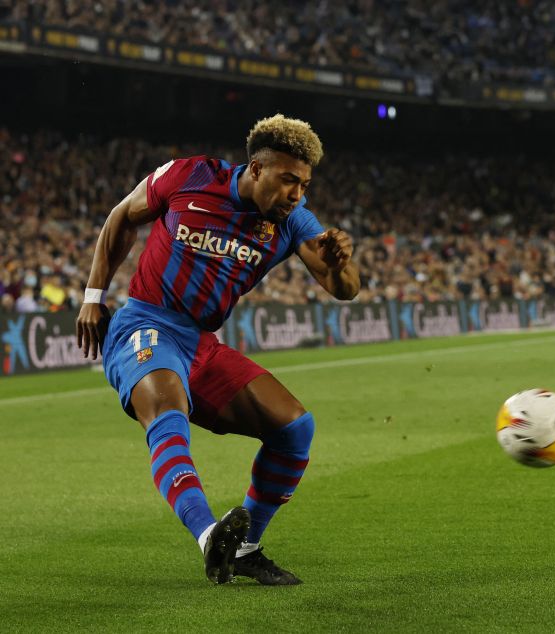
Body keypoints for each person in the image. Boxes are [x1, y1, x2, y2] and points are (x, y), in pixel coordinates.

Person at [76, 114, 360, 584]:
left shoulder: (294, 222)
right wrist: (92, 297)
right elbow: (122, 215)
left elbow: (344, 289)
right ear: (255, 169)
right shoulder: (190, 176)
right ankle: (208, 534)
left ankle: (244, 548)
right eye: (288, 180)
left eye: (304, 183)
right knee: (167, 407)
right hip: (144, 324)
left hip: (202, 344)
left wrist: (341, 264)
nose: (296, 193)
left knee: (294, 428)